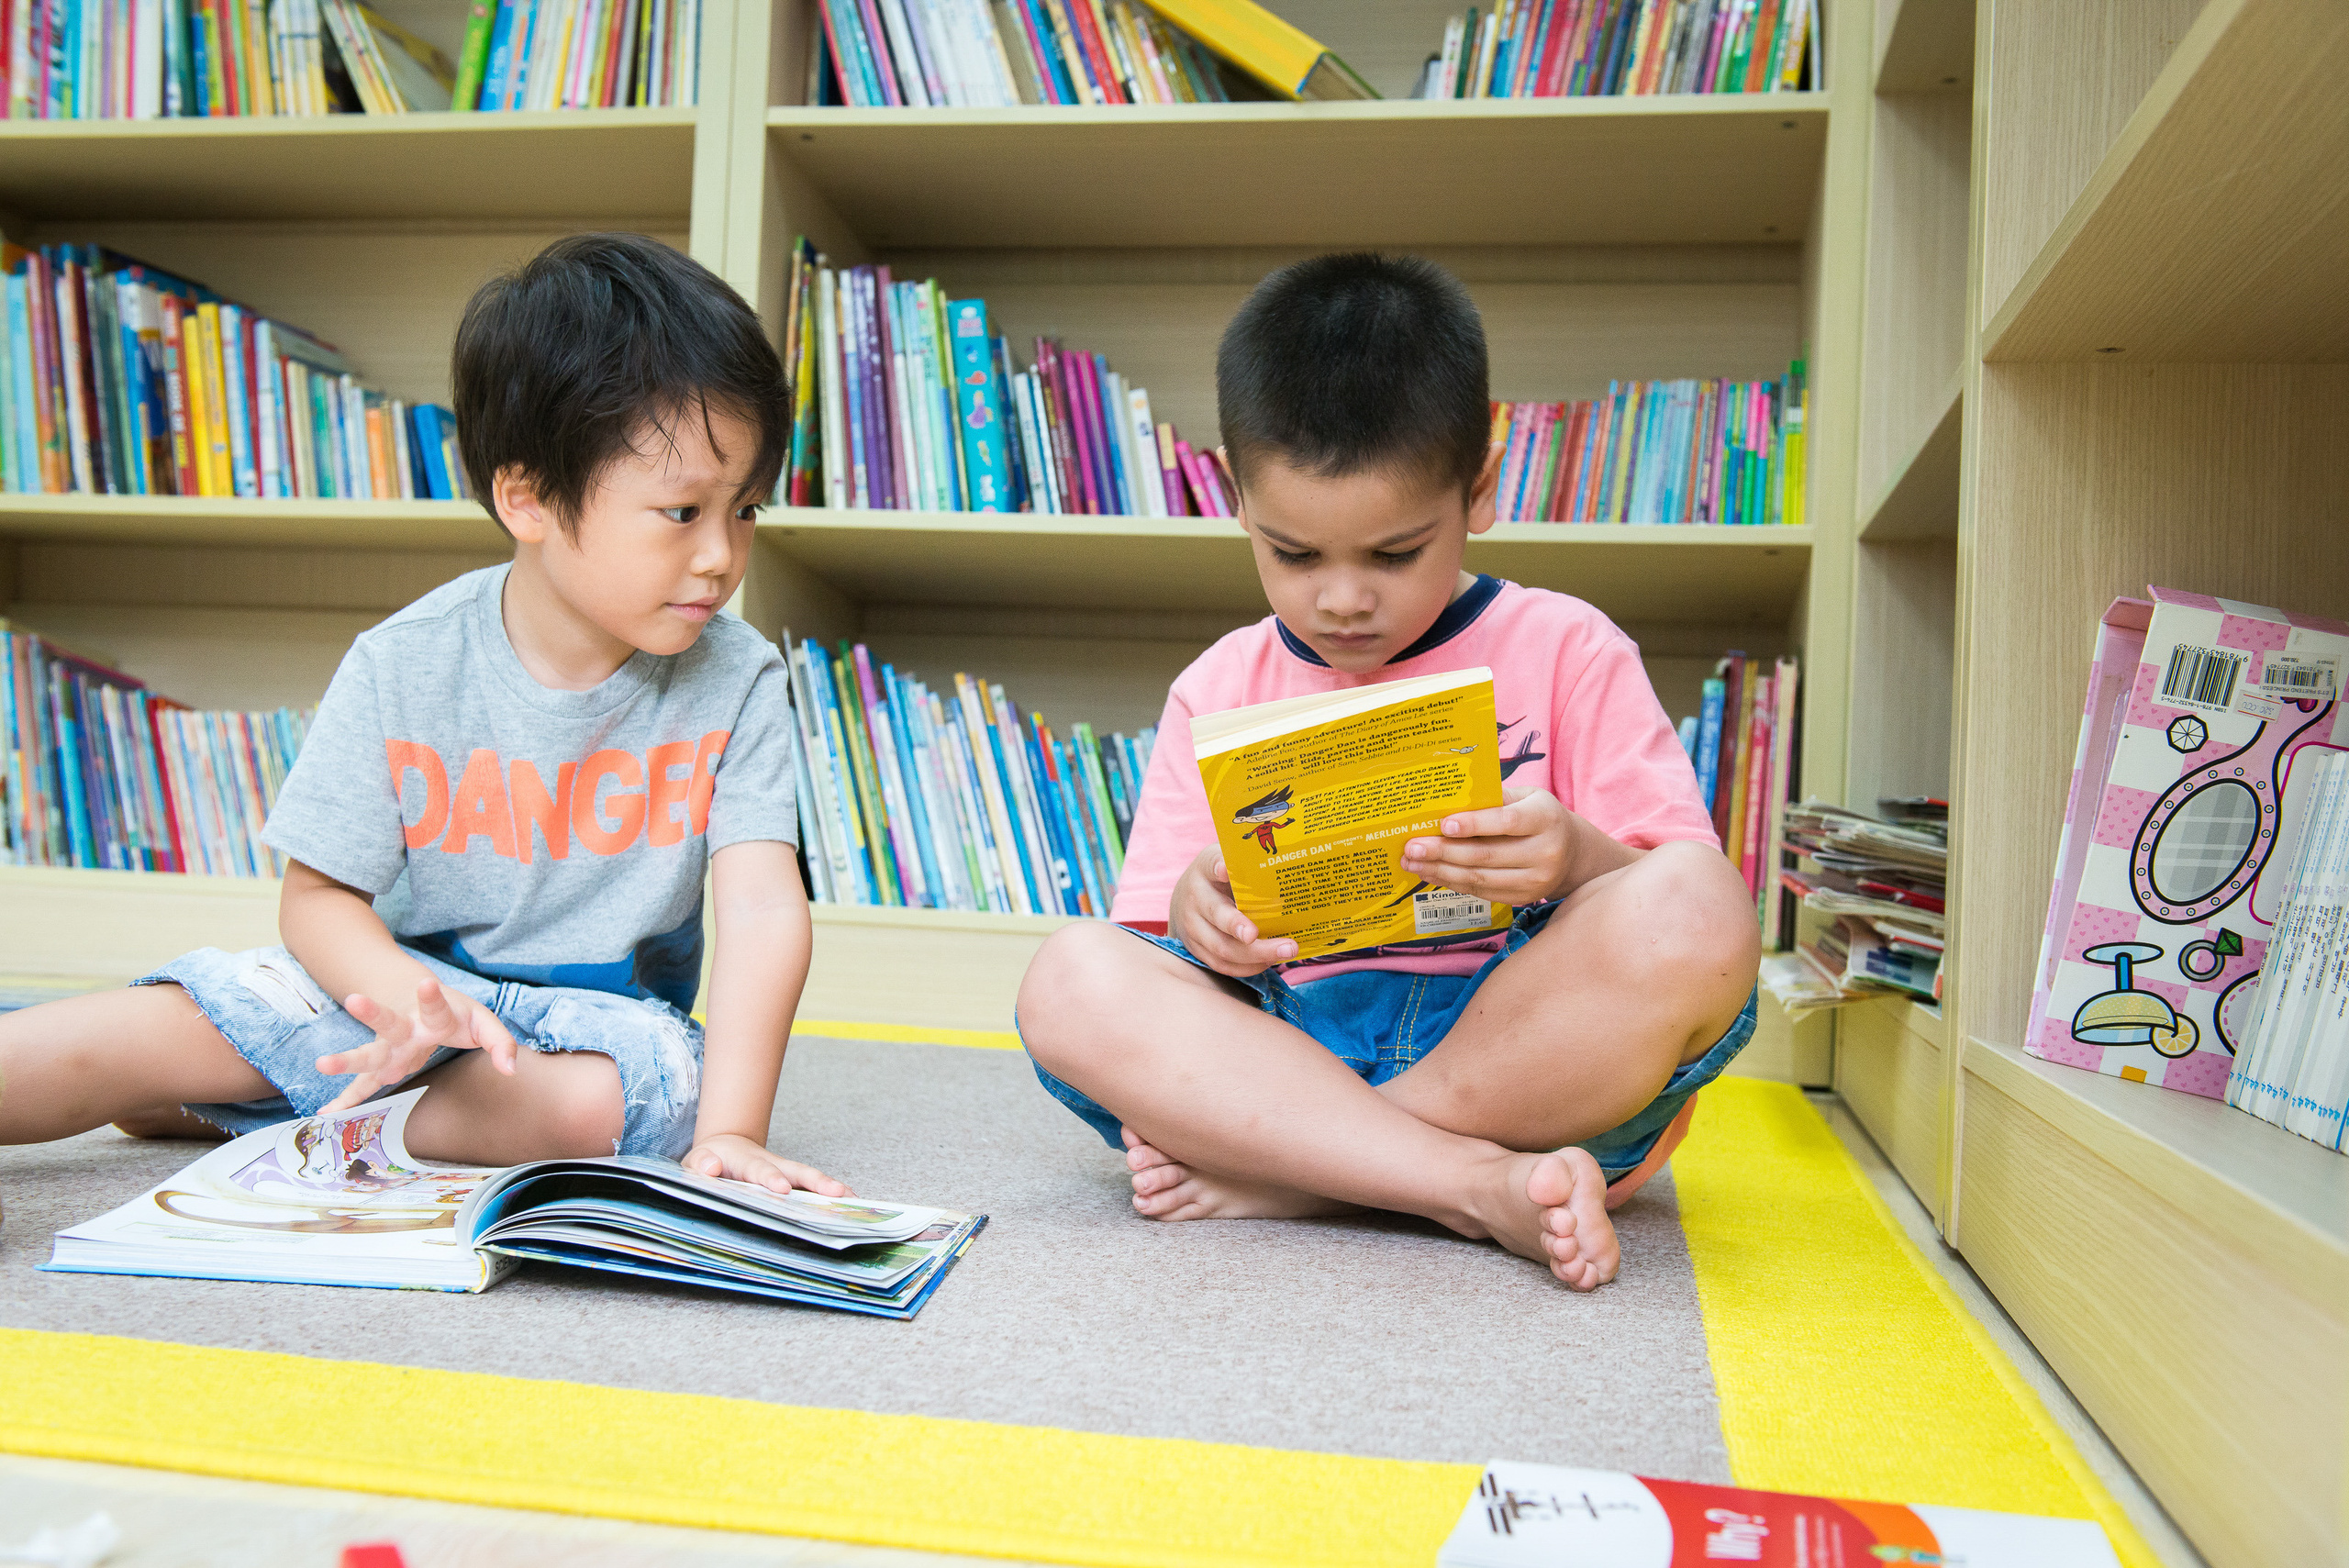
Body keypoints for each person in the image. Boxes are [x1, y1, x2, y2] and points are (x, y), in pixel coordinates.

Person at [0, 234, 846, 1197]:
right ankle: (245, 1080)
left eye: (746, 510)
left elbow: (763, 904)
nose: (720, 556)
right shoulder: (404, 660)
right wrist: (411, 1000)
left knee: (642, 1108)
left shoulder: (738, 678)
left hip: (586, 1036)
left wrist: (735, 1129)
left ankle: (277, 1106)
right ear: (526, 498)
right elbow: (317, 899)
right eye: (682, 511)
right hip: (388, 994)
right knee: (132, 1030)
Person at [1016, 253, 1760, 1289]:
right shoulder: (1219, 680)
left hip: (1515, 1056)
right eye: (1296, 554)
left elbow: (1666, 909)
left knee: (1699, 905)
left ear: (1482, 489)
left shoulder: (1571, 645)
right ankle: (1465, 1182)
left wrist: (1574, 856)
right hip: (1285, 1042)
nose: (1342, 600)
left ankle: (1310, 1173)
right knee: (1070, 976)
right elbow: (1156, 940)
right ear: (1238, 504)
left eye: (1395, 553)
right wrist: (1201, 914)